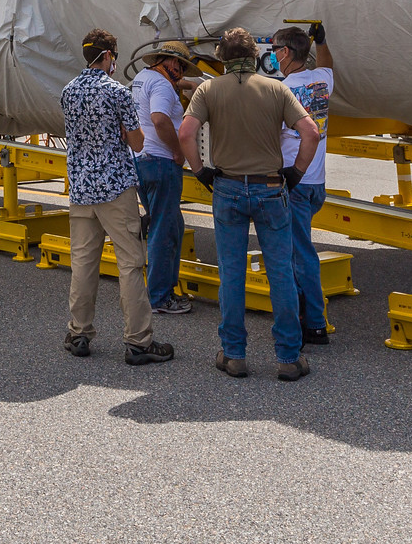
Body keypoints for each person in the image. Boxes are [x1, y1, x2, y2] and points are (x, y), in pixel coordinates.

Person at [180, 27, 322, 382]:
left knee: (231, 272)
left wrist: (201, 172)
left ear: (222, 56)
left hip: (227, 187)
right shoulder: (276, 88)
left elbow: (185, 133)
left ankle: (234, 355)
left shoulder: (208, 90)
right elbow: (311, 132)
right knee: (281, 274)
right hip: (271, 188)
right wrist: (296, 172)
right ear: (254, 55)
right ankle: (289, 357)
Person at [61, 30, 172, 366]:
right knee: (129, 263)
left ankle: (79, 332)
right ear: (108, 56)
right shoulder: (117, 92)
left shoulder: (68, 92)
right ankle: (138, 341)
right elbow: (138, 143)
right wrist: (124, 133)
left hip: (81, 188)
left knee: (83, 262)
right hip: (115, 187)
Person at [271, 25, 334, 348]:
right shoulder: (322, 80)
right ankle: (303, 312)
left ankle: (314, 323)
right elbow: (326, 64)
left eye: (274, 48)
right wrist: (321, 41)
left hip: (295, 178)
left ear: (284, 53)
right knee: (298, 248)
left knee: (299, 253)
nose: (271, 54)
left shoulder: (282, 91)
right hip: (316, 181)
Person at [131, 40, 201, 315]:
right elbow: (160, 119)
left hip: (142, 160)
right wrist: (177, 151)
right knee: (163, 228)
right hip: (161, 161)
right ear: (166, 62)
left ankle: (166, 287)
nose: (180, 71)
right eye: (178, 65)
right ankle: (160, 297)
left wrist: (189, 84)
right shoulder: (161, 86)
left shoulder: (142, 78)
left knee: (172, 225)